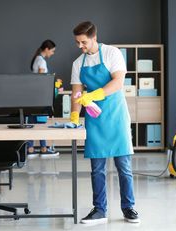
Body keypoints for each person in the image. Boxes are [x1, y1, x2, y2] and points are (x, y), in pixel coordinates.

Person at [70, 21, 139, 224]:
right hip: (94, 118)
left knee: (123, 167)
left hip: (116, 114)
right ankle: (100, 209)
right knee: (97, 168)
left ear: (94, 37)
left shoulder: (112, 53)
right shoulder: (77, 63)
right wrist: (74, 117)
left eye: (83, 42)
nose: (80, 46)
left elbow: (118, 81)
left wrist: (95, 94)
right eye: (77, 42)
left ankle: (129, 208)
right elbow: (76, 93)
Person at [28, 39, 59, 159]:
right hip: (40, 96)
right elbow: (41, 80)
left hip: (34, 96)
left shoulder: (37, 59)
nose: (52, 53)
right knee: (41, 122)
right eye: (52, 51)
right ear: (47, 49)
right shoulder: (41, 61)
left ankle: (31, 148)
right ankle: (43, 148)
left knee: (31, 122)